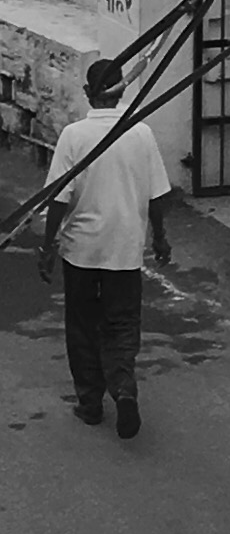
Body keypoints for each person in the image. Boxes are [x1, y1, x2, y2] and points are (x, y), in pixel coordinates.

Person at [36, 57, 172, 439]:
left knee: (82, 327)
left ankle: (90, 403)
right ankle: (123, 387)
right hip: (124, 250)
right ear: (123, 89)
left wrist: (48, 246)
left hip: (81, 250)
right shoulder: (141, 133)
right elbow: (157, 195)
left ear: (87, 93)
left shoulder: (73, 136)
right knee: (122, 325)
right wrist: (160, 237)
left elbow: (58, 198)